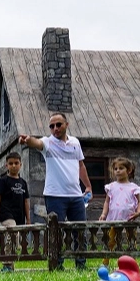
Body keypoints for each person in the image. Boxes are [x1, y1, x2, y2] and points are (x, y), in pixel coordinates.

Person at [19, 112, 92, 270]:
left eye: (58, 124)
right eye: (52, 126)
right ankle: (57, 265)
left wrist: (88, 186)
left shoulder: (75, 143)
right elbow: (36, 143)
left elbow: (81, 166)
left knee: (80, 231)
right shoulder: (48, 143)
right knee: (56, 232)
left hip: (76, 195)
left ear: (67, 124)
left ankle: (81, 265)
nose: (55, 128)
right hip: (55, 196)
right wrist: (27, 139)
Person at [0, 152, 31, 272]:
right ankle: (7, 264)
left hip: (19, 215)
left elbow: (26, 202)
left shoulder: (23, 183)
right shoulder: (3, 181)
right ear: (6, 165)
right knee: (11, 235)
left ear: (21, 164)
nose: (14, 166)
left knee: (13, 240)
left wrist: (28, 219)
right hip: (6, 214)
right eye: (11, 163)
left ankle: (10, 266)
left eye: (16, 163)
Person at [98, 157, 140, 267]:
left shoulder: (134, 188)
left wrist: (138, 211)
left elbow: (139, 201)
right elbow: (107, 202)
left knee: (131, 240)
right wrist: (104, 214)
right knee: (110, 240)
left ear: (129, 170)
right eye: (115, 168)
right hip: (113, 218)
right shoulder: (111, 187)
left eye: (121, 168)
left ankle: (132, 264)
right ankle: (105, 263)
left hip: (129, 219)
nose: (117, 170)